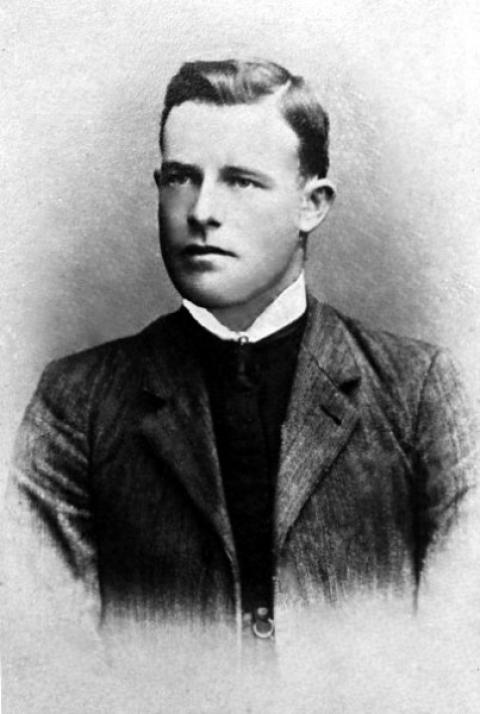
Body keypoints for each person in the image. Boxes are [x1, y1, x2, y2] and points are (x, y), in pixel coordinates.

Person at [5, 59, 478, 651]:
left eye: (241, 181)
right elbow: (46, 653)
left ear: (312, 204)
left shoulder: (417, 390)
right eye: (181, 177)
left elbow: (459, 649)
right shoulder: (75, 402)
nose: (201, 210)